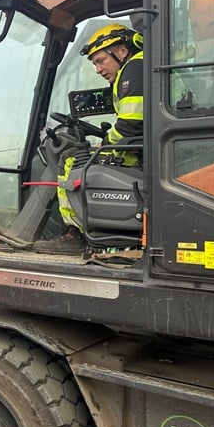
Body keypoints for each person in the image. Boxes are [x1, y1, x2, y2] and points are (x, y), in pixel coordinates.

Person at [34, 23, 144, 255]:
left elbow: (131, 125)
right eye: (94, 63)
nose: (97, 69)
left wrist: (104, 146)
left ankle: (75, 234)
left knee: (70, 161)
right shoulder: (139, 66)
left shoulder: (135, 68)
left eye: (100, 60)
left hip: (141, 155)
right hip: (144, 151)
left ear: (122, 51)